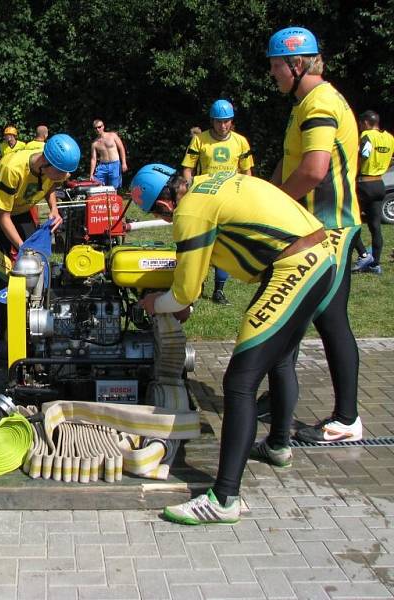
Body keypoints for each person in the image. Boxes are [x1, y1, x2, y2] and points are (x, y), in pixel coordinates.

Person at [130, 164, 334, 524]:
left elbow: (185, 292)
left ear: (163, 204)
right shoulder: (210, 180)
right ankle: (278, 445)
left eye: (159, 213)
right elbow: (204, 255)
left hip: (292, 267)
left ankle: (224, 498)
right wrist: (182, 297)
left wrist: (155, 303)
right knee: (281, 359)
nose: (164, 218)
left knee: (240, 382)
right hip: (320, 256)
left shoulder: (188, 209)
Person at [267, 27, 362, 444]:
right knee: (303, 315)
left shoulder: (320, 102)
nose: (272, 75)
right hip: (312, 228)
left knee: (331, 320)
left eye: (275, 67)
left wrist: (275, 206)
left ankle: (347, 419)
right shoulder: (306, 102)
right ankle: (281, 397)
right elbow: (290, 163)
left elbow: (313, 170)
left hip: (331, 228)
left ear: (297, 63)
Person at [0, 134, 80, 339]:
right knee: (6, 280)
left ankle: (33, 332)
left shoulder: (54, 169)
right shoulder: (12, 169)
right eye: (60, 173)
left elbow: (50, 184)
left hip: (22, 209)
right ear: (44, 162)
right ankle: (4, 343)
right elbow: (3, 217)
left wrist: (54, 208)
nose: (63, 177)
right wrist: (23, 248)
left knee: (39, 265)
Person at [181, 100, 254, 305]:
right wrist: (189, 185)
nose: (223, 126)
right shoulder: (199, 140)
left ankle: (219, 290)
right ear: (212, 121)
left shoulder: (241, 142)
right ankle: (196, 288)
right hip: (205, 200)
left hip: (230, 200)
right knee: (200, 244)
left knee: (224, 245)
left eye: (227, 121)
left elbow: (247, 172)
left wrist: (246, 194)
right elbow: (188, 167)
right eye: (219, 122)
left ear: (232, 121)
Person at [351, 110, 393, 274]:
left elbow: (365, 154)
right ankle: (375, 264)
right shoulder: (389, 138)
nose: (361, 128)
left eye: (361, 125)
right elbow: (389, 160)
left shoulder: (367, 135)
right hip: (379, 184)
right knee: (375, 226)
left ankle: (363, 254)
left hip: (364, 184)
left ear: (366, 123)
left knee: (348, 220)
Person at [89, 119, 128, 189]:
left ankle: (113, 199)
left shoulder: (112, 135)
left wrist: (124, 163)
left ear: (103, 126)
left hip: (115, 164)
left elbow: (121, 148)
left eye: (99, 127)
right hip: (102, 166)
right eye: (95, 128)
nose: (98, 129)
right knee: (96, 184)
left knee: (113, 188)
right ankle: (102, 199)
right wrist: (91, 174)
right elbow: (93, 159)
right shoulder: (94, 143)